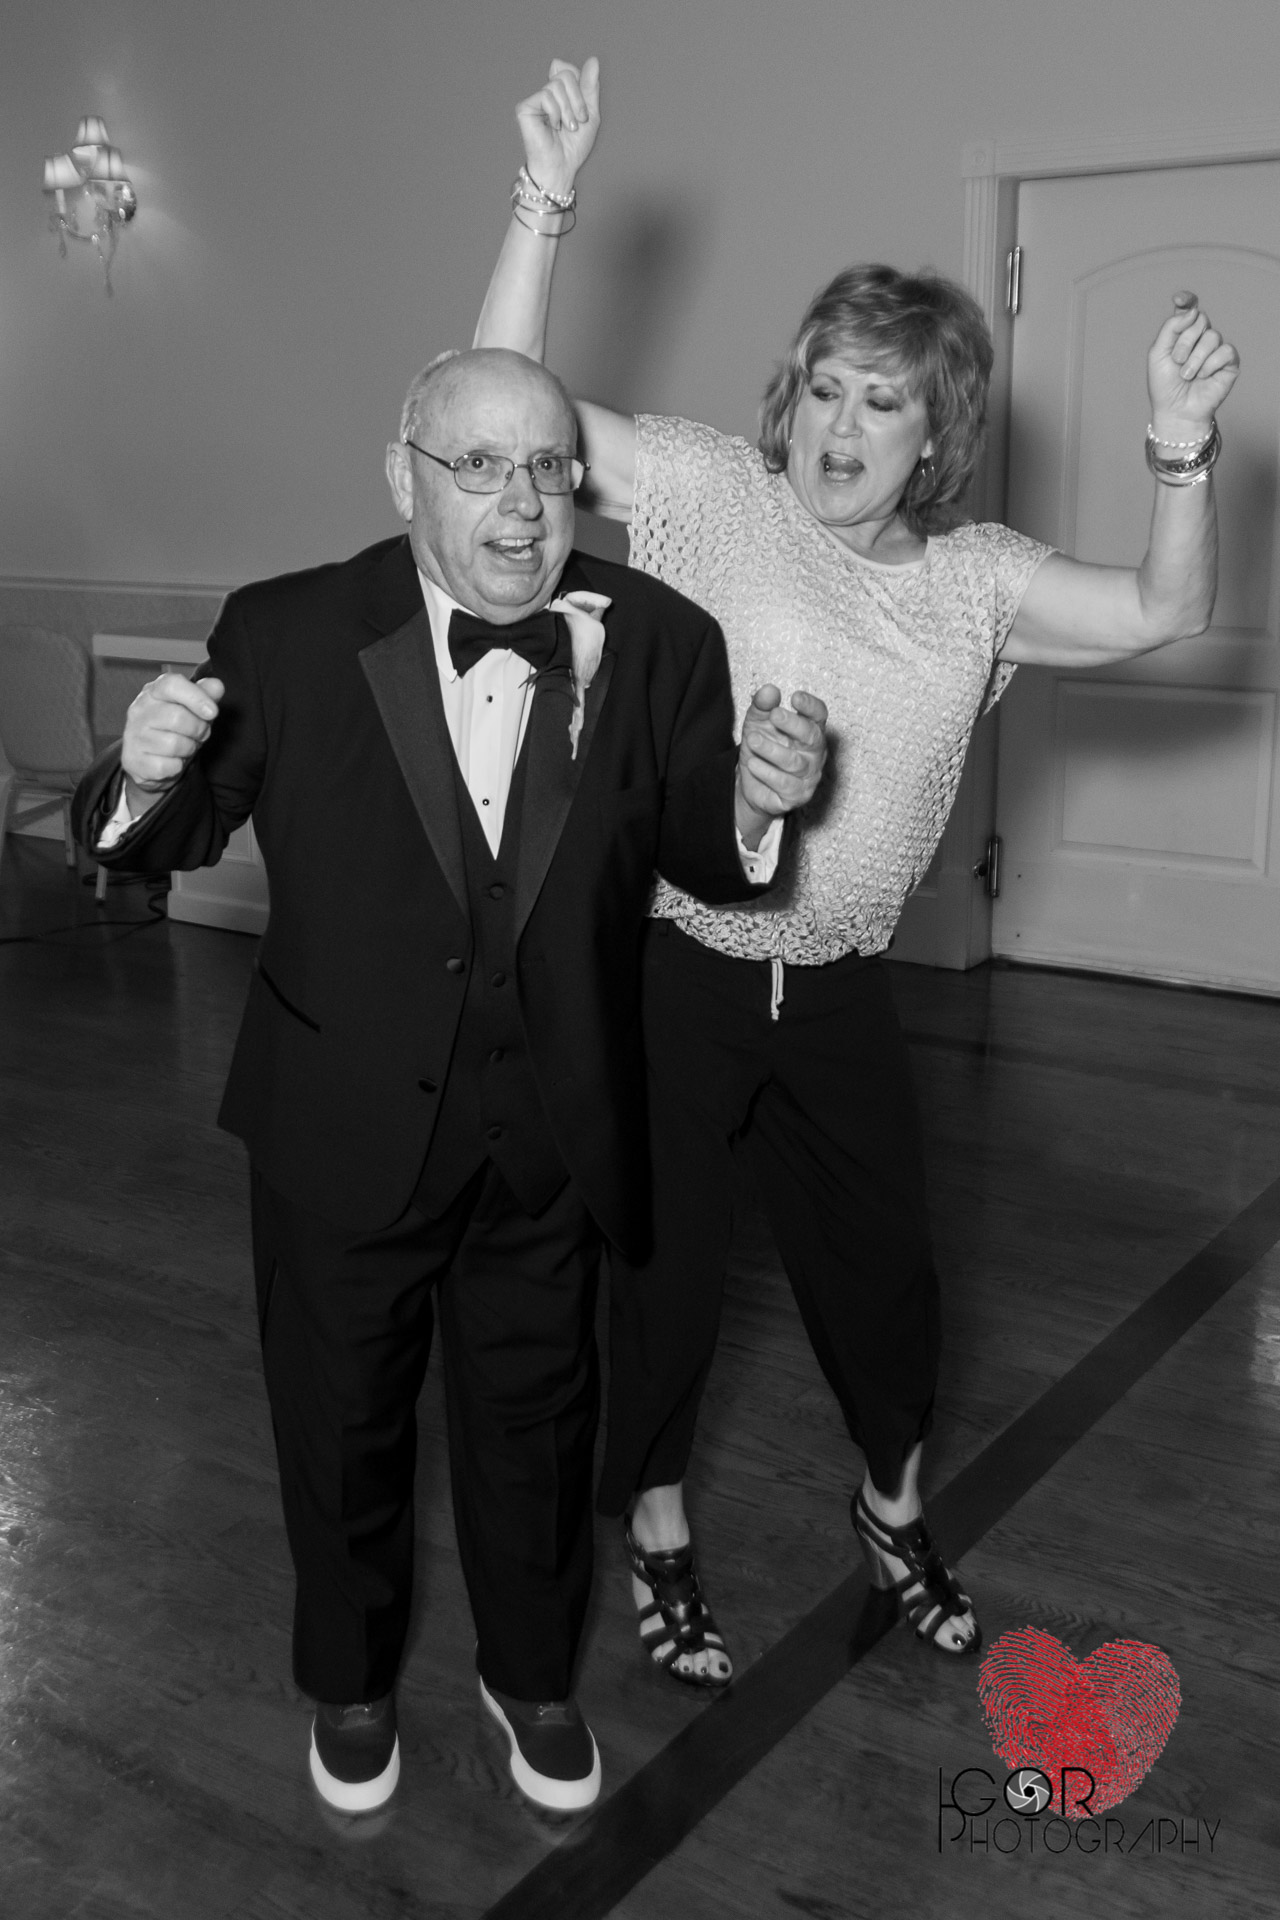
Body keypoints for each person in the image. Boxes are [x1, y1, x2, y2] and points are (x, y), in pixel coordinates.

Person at [473, 57, 1241, 1687]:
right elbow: (506, 404)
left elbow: (1168, 613)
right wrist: (546, 201)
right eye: (825, 383)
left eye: (883, 399)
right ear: (789, 394)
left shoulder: (978, 585)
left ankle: (890, 1508)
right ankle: (660, 1527)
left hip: (831, 996)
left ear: (935, 430)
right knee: (662, 1295)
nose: (842, 423)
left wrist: (1181, 454)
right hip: (674, 968)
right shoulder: (705, 496)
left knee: (883, 1288)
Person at [72, 347, 827, 1814]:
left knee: (538, 1419)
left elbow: (693, 846)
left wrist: (750, 801)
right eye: (479, 465)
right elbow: (163, 843)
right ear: (402, 476)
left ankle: (528, 1673)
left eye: (547, 467)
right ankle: (350, 1684)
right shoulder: (288, 631)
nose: (523, 503)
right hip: (340, 1121)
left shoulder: (662, 637)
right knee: (339, 1418)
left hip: (553, 1126)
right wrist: (146, 770)